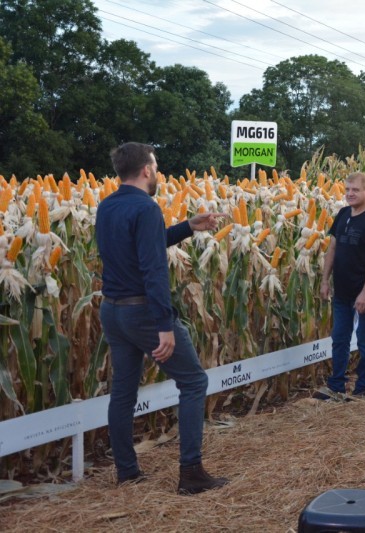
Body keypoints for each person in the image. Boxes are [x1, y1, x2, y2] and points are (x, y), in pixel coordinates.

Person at [96, 142, 229, 494]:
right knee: (194, 382)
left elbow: (142, 246)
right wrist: (164, 325)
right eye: (156, 166)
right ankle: (191, 473)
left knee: (123, 391)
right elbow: (153, 269)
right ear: (145, 170)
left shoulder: (107, 206)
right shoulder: (147, 208)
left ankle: (127, 471)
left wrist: (188, 226)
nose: (158, 172)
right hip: (142, 312)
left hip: (112, 309)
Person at [318, 172, 365, 400]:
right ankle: (336, 385)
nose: (349, 194)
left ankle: (364, 387)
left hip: (363, 292)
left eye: (355, 190)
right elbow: (332, 250)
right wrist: (324, 280)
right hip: (342, 290)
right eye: (347, 189)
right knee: (339, 338)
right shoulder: (343, 214)